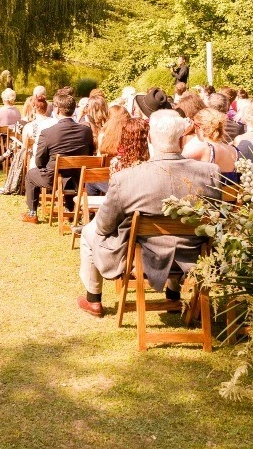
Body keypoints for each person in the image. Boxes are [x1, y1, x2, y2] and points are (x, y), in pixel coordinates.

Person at [76, 109, 222, 317]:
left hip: (143, 259)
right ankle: (173, 293)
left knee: (90, 231)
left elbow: (104, 226)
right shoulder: (210, 173)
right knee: (177, 234)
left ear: (151, 137)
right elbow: (216, 220)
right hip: (194, 255)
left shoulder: (127, 178)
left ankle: (93, 299)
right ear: (182, 138)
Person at [22, 92, 95, 223]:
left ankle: (32, 213)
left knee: (30, 175)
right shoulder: (86, 131)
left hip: (54, 179)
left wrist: (44, 167)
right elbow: (90, 154)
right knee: (67, 171)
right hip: (79, 178)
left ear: (56, 109)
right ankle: (69, 208)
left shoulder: (48, 132)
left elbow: (39, 161)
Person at [182, 108, 240, 185]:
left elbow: (178, 167)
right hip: (230, 195)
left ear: (197, 126)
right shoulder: (234, 150)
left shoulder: (203, 149)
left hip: (206, 195)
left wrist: (183, 132)